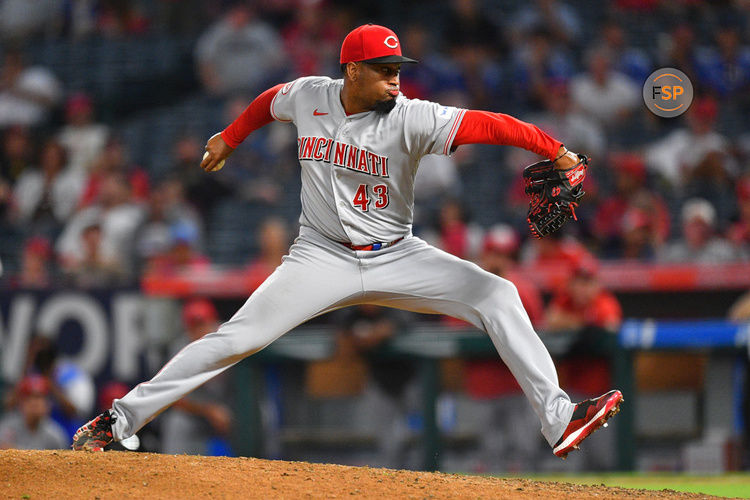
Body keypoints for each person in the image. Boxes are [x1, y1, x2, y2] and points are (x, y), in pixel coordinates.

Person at [73, 24, 622, 460]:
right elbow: (269, 101)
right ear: (352, 71)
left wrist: (559, 153)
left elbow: (496, 124)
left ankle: (559, 420)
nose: (395, 80)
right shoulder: (311, 95)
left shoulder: (414, 117)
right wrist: (231, 137)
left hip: (399, 256)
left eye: (398, 69)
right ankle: (118, 421)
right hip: (320, 256)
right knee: (237, 338)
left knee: (497, 294)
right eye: (384, 70)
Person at [0, 374, 67, 450]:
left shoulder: (55, 435)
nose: (34, 403)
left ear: (48, 404)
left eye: (39, 398)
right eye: (29, 398)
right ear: (21, 402)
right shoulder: (8, 427)